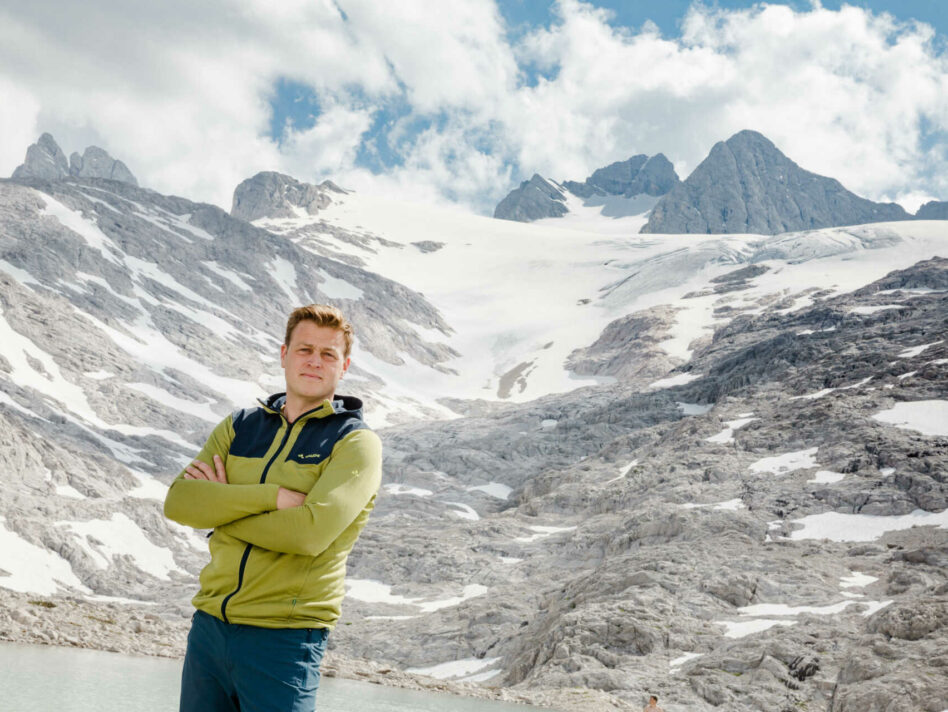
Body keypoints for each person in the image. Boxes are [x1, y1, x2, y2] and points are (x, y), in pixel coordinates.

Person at [164, 304, 382, 712]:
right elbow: (179, 502)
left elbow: (308, 534)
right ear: (284, 354)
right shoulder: (239, 426)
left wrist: (222, 513)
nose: (315, 361)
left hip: (284, 638)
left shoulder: (355, 443)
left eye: (328, 354)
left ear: (344, 366)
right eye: (304, 349)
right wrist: (271, 498)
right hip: (209, 630)